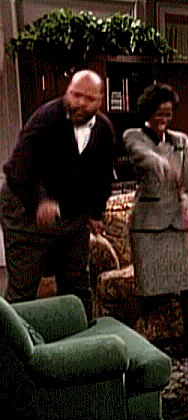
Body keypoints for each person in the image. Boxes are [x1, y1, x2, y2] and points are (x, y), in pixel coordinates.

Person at [0, 70, 116, 319]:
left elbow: (103, 176)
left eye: (89, 98)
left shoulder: (104, 130)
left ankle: (80, 336)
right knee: (23, 288)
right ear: (67, 92)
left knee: (77, 283)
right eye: (75, 95)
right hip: (24, 206)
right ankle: (11, 341)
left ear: (100, 100)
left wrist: (96, 213)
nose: (80, 103)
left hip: (71, 211)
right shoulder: (46, 117)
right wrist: (40, 201)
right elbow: (21, 167)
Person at [123, 83, 188, 344]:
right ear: (148, 112)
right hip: (147, 227)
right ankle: (123, 336)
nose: (164, 120)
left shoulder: (180, 140)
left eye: (168, 114)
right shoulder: (133, 136)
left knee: (187, 286)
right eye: (159, 114)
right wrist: (163, 164)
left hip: (175, 224)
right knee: (146, 291)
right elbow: (144, 156)